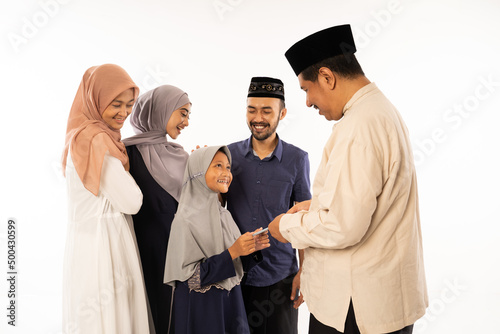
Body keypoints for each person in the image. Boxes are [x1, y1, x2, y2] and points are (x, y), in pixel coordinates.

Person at [268, 24, 428, 334]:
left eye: (306, 89)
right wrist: (317, 206)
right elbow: (371, 198)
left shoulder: (359, 126)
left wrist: (283, 227)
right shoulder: (379, 111)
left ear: (327, 77)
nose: (307, 102)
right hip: (379, 301)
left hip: (357, 310)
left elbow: (342, 226)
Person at [62, 64, 151, 333]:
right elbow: (132, 201)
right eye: (115, 104)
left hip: (86, 244)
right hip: (106, 246)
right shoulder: (97, 139)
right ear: (96, 99)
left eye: (130, 104)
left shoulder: (79, 135)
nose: (124, 113)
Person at [226, 76, 311, 334]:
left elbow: (305, 218)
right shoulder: (228, 155)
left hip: (280, 277)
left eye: (266, 111)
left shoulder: (298, 159)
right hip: (236, 275)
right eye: (252, 110)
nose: (258, 117)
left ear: (282, 113)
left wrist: (304, 272)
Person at [164, 146, 271, 334]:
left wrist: (251, 248)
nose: (226, 173)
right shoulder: (184, 220)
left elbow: (236, 265)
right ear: (198, 172)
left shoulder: (224, 215)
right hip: (202, 310)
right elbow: (192, 280)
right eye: (218, 166)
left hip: (230, 304)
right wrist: (234, 251)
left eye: (228, 167)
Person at [122, 85, 191, 334]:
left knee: (174, 319)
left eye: (188, 116)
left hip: (177, 255)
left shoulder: (182, 156)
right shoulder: (125, 153)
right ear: (160, 110)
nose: (186, 122)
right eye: (182, 113)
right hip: (138, 253)